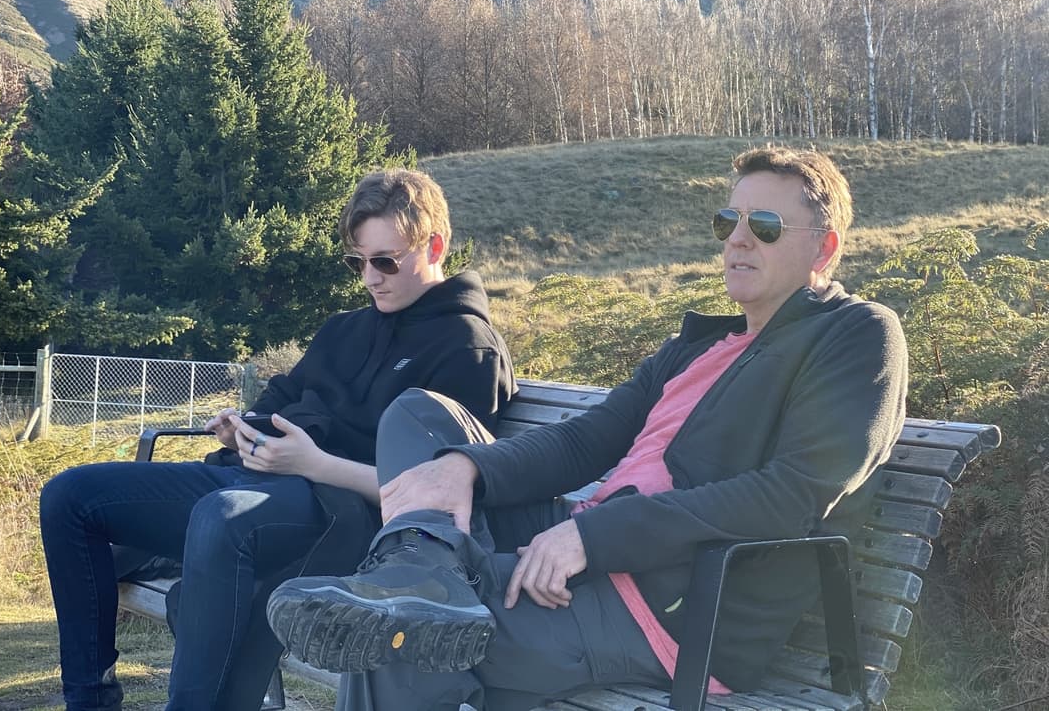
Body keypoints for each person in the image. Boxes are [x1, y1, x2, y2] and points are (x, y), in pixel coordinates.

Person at [267, 146, 909, 711]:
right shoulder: (695, 351)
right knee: (418, 415)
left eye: (764, 225)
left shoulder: (857, 335)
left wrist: (591, 538)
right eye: (728, 221)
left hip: (674, 604)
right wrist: (469, 467)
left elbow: (790, 497)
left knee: (397, 639)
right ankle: (421, 572)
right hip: (590, 551)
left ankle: (419, 582)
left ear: (824, 246)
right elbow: (585, 441)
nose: (737, 240)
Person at [39, 167, 517, 711]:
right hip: (259, 482)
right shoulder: (345, 329)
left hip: (346, 516)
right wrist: (245, 427)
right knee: (69, 497)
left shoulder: (467, 346)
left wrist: (314, 464)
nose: (370, 278)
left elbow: (443, 494)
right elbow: (281, 399)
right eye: (357, 262)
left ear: (435, 245)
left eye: (385, 261)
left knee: (222, 518)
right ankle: (89, 699)